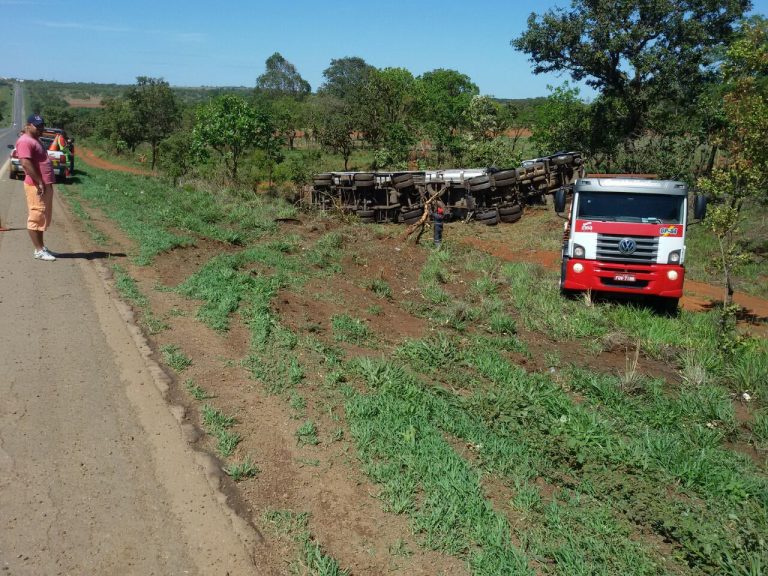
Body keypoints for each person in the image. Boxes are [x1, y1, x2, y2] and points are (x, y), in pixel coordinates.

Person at [15, 114, 57, 261]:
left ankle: (41, 247)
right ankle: (38, 250)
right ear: (29, 125)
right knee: (36, 216)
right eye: (37, 126)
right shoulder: (25, 141)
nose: (41, 128)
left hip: (43, 184)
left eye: (42, 125)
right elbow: (26, 163)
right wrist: (39, 181)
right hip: (36, 185)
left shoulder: (34, 139)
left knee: (42, 217)